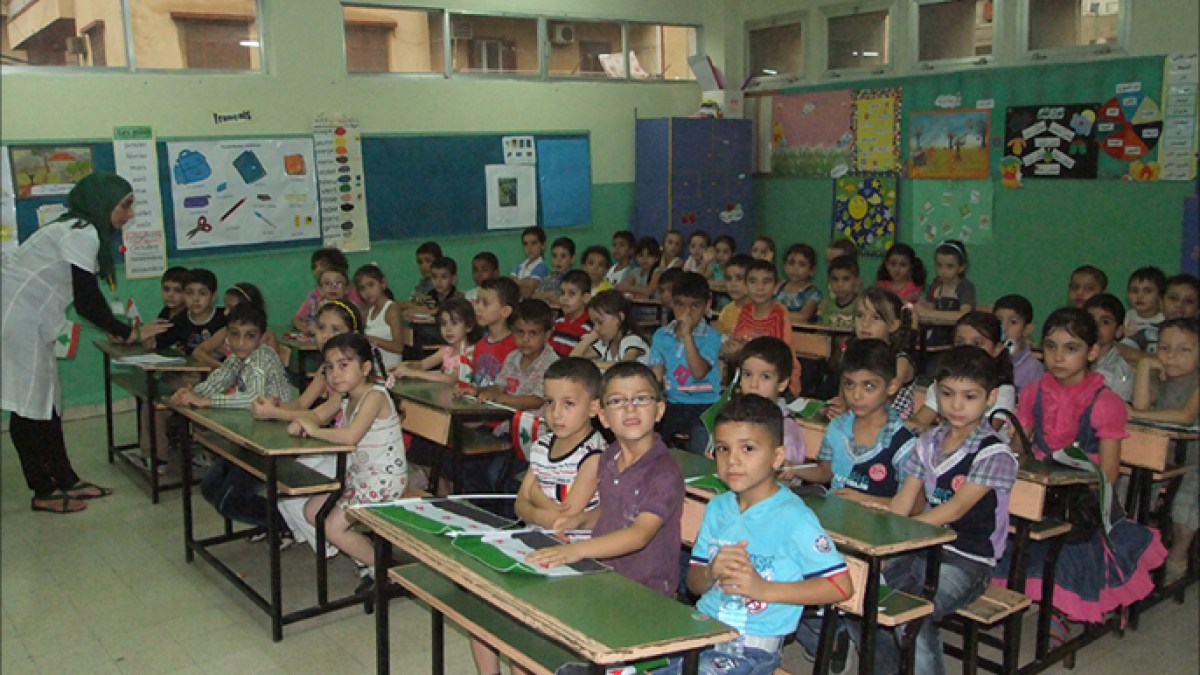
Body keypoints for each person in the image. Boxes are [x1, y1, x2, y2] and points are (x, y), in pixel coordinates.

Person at [994, 308, 1167, 633]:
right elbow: (1019, 449)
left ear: (1093, 352)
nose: (1058, 357)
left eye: (1071, 348)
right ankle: (1016, 593)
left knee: (1068, 545)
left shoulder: (1104, 401)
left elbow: (1108, 475)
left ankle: (1061, 608)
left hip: (1086, 499)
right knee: (999, 523)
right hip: (1041, 490)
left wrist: (1064, 480)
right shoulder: (1034, 392)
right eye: (1051, 346)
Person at [2, 172, 139, 513]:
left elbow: (85, 298)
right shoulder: (80, 233)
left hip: (31, 319)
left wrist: (114, 326)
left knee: (48, 401)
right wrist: (125, 332)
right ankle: (42, 490)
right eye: (125, 205)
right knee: (29, 405)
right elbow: (87, 302)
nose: (130, 213)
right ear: (103, 204)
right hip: (17, 319)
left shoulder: (78, 228)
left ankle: (65, 479)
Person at [686, 394, 851, 675]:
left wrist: (763, 589)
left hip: (750, 648)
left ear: (777, 457)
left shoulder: (794, 518)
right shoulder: (717, 507)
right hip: (702, 631)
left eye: (748, 448)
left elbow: (840, 586)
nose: (732, 460)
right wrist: (711, 571)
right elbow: (694, 583)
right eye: (723, 449)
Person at [880, 345, 1018, 675]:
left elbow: (956, 509)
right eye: (947, 394)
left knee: (912, 616)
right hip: (922, 549)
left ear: (991, 397)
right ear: (934, 393)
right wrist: (882, 542)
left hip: (968, 561)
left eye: (969, 396)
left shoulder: (994, 453)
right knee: (868, 596)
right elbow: (903, 500)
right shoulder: (927, 443)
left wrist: (906, 533)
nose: (956, 405)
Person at [470, 357, 606, 675]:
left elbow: (565, 519)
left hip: (571, 556)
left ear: (593, 407)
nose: (556, 413)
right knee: (479, 617)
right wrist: (541, 507)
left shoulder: (595, 454)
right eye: (549, 402)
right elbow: (520, 505)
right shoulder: (543, 444)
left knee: (522, 642)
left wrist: (536, 501)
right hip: (534, 543)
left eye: (568, 404)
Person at [526, 362, 685, 598]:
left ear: (659, 410)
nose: (630, 409)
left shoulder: (664, 472)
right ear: (603, 417)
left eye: (641, 399)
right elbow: (611, 508)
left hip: (646, 591)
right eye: (617, 401)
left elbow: (639, 534)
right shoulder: (610, 457)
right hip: (602, 574)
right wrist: (580, 520)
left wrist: (578, 550)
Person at [291, 333, 406, 594]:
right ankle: (369, 559)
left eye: (343, 365)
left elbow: (350, 437)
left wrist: (315, 430)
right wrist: (301, 424)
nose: (335, 374)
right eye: (329, 367)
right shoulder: (346, 398)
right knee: (312, 511)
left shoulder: (375, 396)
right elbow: (316, 416)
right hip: (360, 475)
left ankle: (386, 571)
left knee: (332, 527)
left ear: (365, 368)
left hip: (384, 480)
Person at [253, 299, 363, 553]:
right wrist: (277, 406)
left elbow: (319, 415)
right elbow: (303, 403)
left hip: (356, 450)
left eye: (336, 329)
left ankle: (345, 550)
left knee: (297, 493)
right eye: (321, 328)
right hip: (333, 443)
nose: (326, 335)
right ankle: (326, 544)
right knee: (283, 484)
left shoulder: (353, 373)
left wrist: (275, 413)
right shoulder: (327, 368)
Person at [177, 303, 293, 529]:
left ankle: (289, 526)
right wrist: (192, 393)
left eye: (249, 335)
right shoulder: (237, 357)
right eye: (234, 334)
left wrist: (207, 401)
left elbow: (253, 399)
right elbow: (219, 380)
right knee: (209, 488)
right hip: (252, 438)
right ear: (227, 336)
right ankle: (274, 525)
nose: (240, 342)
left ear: (262, 338)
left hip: (277, 443)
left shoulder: (263, 358)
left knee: (229, 502)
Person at [1131, 317, 1199, 583]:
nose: (1172, 357)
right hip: (1158, 458)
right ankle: (1139, 553)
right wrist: (1145, 366)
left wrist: (1137, 414)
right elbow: (1140, 405)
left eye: (1184, 350)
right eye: (1164, 348)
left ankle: (1178, 556)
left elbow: (1186, 417)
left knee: (1185, 505)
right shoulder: (1158, 377)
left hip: (1193, 461)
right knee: (1132, 492)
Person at [650, 272, 723, 455]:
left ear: (707, 304)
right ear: (672, 304)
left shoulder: (712, 337)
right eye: (680, 305)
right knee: (653, 442)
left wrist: (687, 336)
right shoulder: (662, 335)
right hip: (672, 402)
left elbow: (698, 372)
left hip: (705, 405)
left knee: (701, 445)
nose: (687, 313)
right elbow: (656, 375)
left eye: (695, 306)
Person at [908, 312, 1016, 432]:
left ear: (997, 349)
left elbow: (982, 434)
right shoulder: (946, 383)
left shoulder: (1002, 390)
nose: (967, 349)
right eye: (960, 343)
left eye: (977, 344)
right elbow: (919, 421)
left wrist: (930, 432)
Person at [735, 337, 808, 471]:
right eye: (747, 374)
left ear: (782, 384)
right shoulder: (735, 417)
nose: (753, 384)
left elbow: (784, 475)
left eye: (765, 377)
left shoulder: (785, 430)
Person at [390, 297, 480, 386]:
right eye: (443, 324)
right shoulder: (446, 350)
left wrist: (413, 372)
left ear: (469, 326)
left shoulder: (471, 353)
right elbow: (422, 364)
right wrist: (403, 366)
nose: (448, 329)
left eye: (454, 323)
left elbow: (451, 379)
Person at [917, 239, 975, 347]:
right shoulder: (936, 285)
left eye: (949, 266)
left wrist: (932, 315)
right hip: (934, 339)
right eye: (939, 265)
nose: (943, 271)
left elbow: (964, 316)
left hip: (955, 339)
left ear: (961, 267)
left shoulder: (965, 286)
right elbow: (927, 310)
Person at [572, 289, 649, 367]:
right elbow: (574, 359)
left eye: (600, 322)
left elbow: (625, 366)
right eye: (593, 324)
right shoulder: (606, 343)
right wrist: (591, 336)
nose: (596, 328)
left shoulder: (632, 340)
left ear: (620, 317)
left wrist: (593, 365)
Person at [291, 247, 360, 334]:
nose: (317, 270)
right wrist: (303, 326)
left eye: (323, 265)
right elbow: (297, 318)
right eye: (315, 267)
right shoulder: (316, 293)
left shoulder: (354, 293)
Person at [1084, 293, 1135, 401]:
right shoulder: (1071, 359)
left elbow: (1119, 407)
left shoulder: (1121, 371)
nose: (1095, 326)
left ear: (1118, 331)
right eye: (1090, 319)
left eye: (1105, 322)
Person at [471, 277, 520, 387]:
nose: (477, 308)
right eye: (477, 302)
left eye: (485, 303)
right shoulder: (479, 345)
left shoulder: (516, 346)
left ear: (505, 311)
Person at [356, 263, 404, 370]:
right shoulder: (368, 312)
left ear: (383, 283)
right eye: (362, 288)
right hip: (373, 370)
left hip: (391, 371)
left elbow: (398, 347)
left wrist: (372, 339)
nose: (367, 292)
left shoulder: (391, 309)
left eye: (371, 285)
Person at [992, 294, 1044, 392]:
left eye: (1013, 322)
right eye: (998, 321)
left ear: (1027, 329)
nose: (1004, 328)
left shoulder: (1033, 368)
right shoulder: (987, 359)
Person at [139, 265, 188, 348]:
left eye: (177, 290)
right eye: (166, 289)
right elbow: (155, 338)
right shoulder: (166, 310)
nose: (170, 295)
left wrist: (144, 336)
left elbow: (160, 342)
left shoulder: (188, 317)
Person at [549, 270, 593, 356]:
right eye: (562, 293)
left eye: (571, 294)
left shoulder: (588, 328)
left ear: (586, 298)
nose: (564, 298)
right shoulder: (558, 322)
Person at [776, 243, 822, 323]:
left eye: (802, 265)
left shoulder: (813, 293)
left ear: (812, 270)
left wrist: (774, 314)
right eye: (791, 263)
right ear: (785, 266)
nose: (795, 268)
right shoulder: (778, 288)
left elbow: (802, 317)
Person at [712, 254, 752, 336]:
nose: (733, 284)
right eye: (728, 278)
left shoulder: (760, 310)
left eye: (739, 278)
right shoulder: (726, 310)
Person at [817, 255, 858, 331]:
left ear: (856, 280)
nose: (840, 284)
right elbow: (820, 331)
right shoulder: (826, 306)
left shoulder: (861, 306)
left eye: (846, 279)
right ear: (829, 281)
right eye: (835, 279)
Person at [1124, 266, 1166, 338]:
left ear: (1160, 295)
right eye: (1135, 291)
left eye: (1148, 291)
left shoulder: (1165, 318)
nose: (1139, 296)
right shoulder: (1128, 316)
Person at [511, 225, 549, 298]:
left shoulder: (542, 267)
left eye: (534, 243)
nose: (529, 248)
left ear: (543, 245)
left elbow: (528, 292)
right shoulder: (520, 265)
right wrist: (524, 282)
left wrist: (517, 281)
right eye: (525, 244)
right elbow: (509, 285)